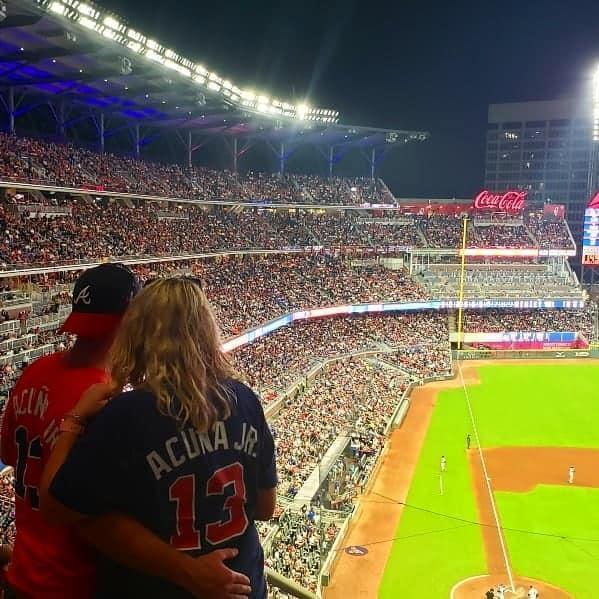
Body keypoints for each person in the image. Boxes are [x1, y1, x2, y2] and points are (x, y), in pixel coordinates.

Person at [3, 265, 250, 599]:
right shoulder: (107, 399)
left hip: (23, 571)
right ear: (134, 320)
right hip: (78, 579)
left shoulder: (35, 371)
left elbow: (9, 455)